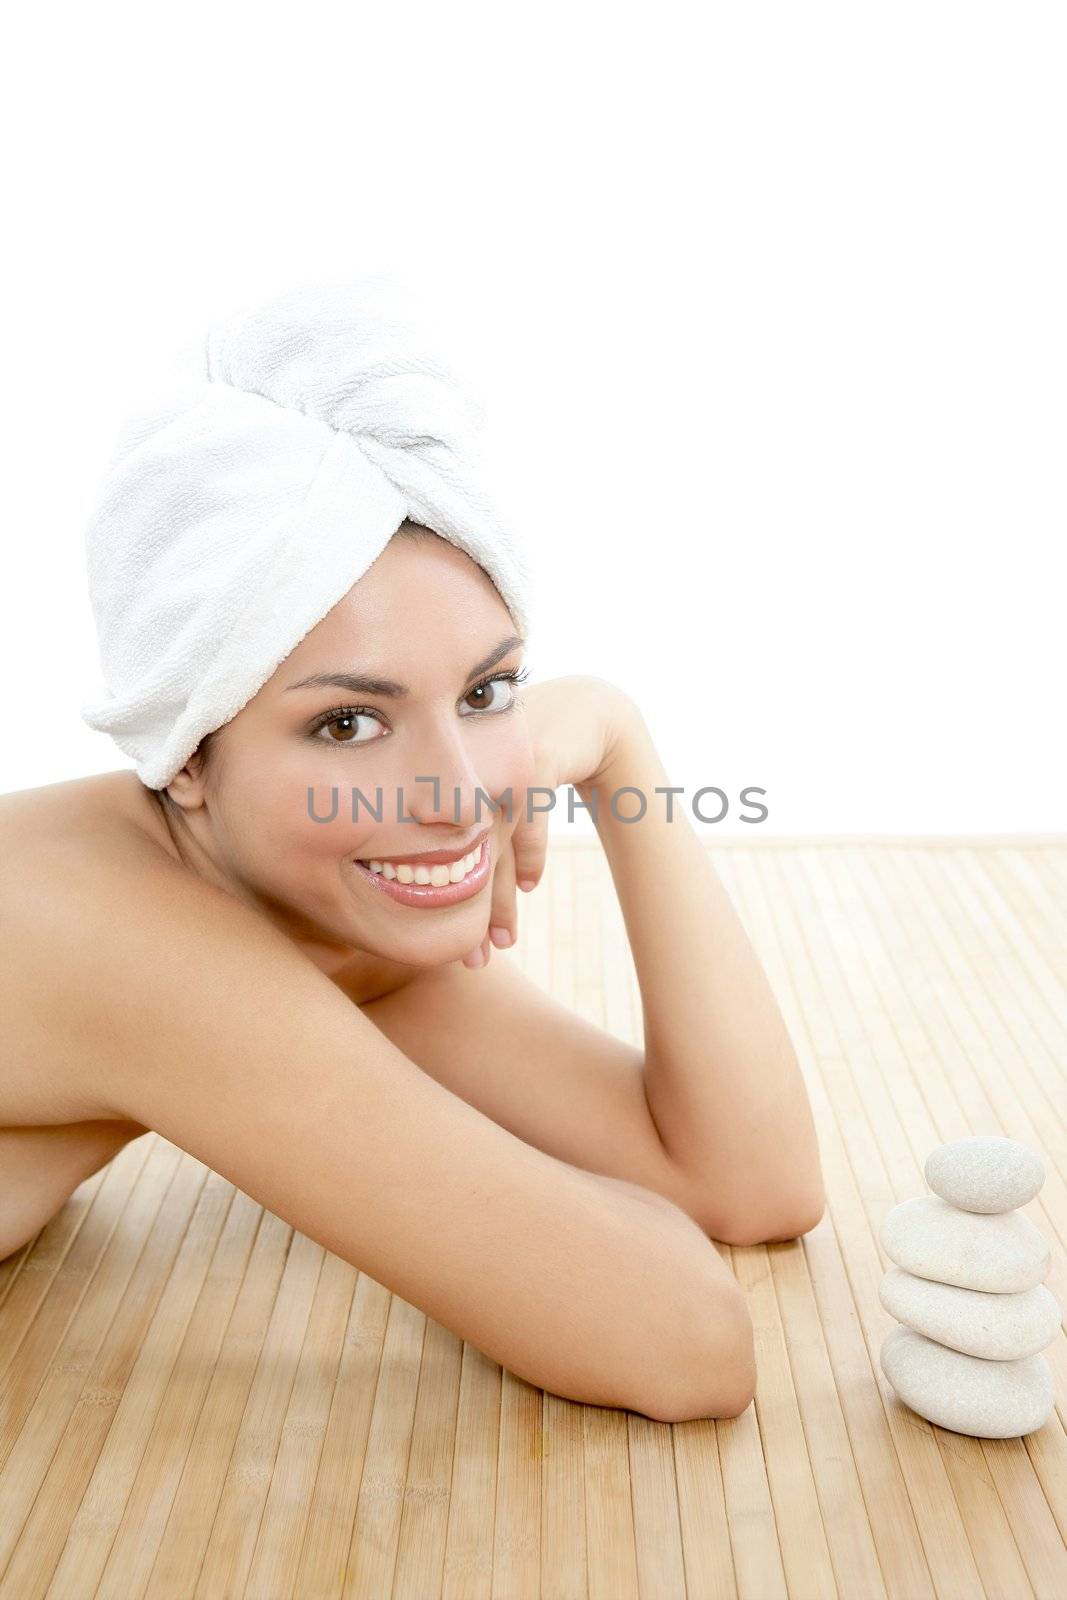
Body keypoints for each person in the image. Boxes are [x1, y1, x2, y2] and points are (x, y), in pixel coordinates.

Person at [0, 280, 824, 1422]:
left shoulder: (314, 910)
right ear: (184, 757)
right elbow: (683, 1339)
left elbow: (751, 1185)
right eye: (347, 723)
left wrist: (618, 739)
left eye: (489, 691)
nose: (454, 797)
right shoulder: (139, 949)